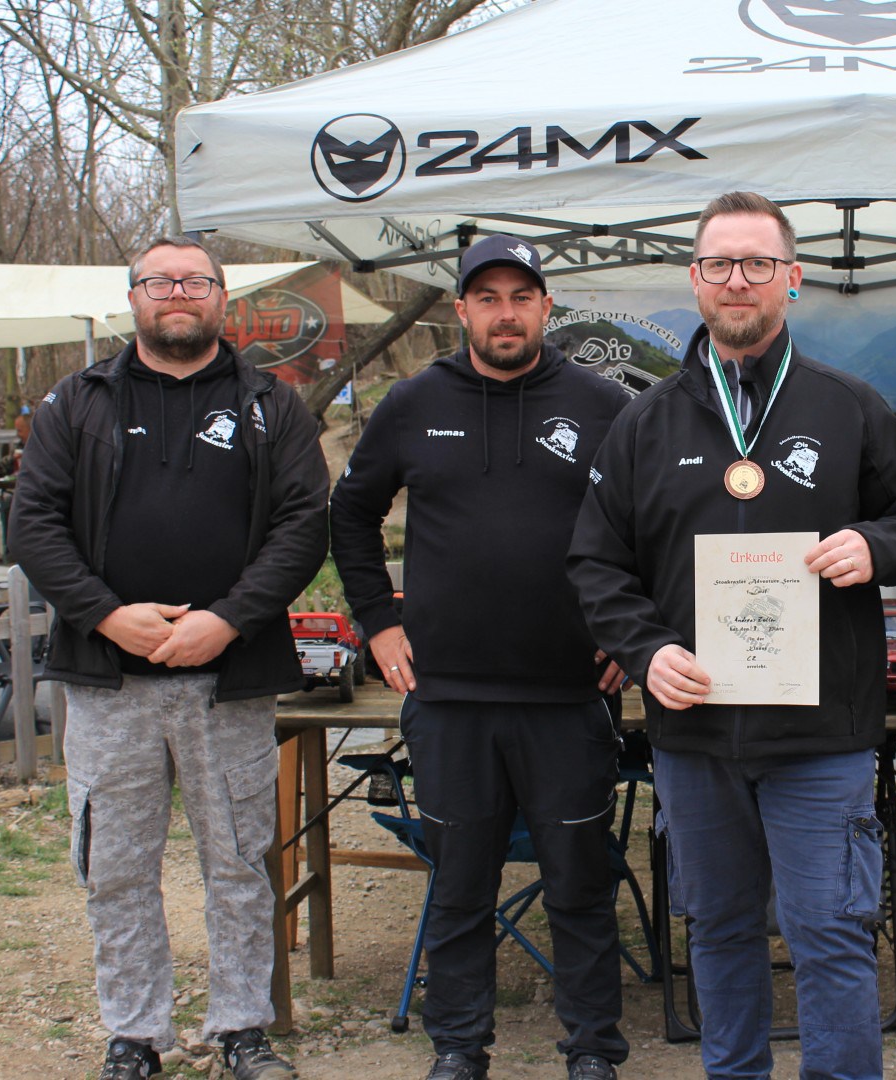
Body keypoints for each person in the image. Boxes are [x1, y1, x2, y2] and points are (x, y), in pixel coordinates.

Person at [567, 191, 896, 1080]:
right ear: (695, 280)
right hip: (696, 735)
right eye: (720, 264)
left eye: (758, 263)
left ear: (793, 277)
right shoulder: (644, 422)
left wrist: (877, 545)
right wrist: (646, 650)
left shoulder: (850, 407)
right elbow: (596, 562)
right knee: (720, 931)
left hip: (822, 737)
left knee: (832, 935)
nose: (738, 280)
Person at [9, 236, 328, 1080]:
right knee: (115, 870)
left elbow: (304, 525)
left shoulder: (272, 405)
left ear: (222, 298)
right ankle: (136, 1035)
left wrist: (227, 620)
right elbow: (32, 523)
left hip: (231, 679)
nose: (177, 293)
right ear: (134, 299)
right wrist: (107, 616)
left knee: (238, 864)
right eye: (160, 281)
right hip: (110, 681)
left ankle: (242, 1029)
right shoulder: (77, 403)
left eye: (195, 281)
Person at [330, 234, 632, 1080]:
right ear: (461, 309)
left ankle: (593, 1050)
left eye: (522, 297)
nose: (506, 313)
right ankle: (460, 1048)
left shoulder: (604, 405)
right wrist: (377, 621)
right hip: (450, 698)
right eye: (488, 298)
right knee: (460, 887)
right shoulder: (412, 403)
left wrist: (630, 630)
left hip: (569, 697)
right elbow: (350, 513)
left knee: (579, 886)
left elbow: (653, 521)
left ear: (546, 307)